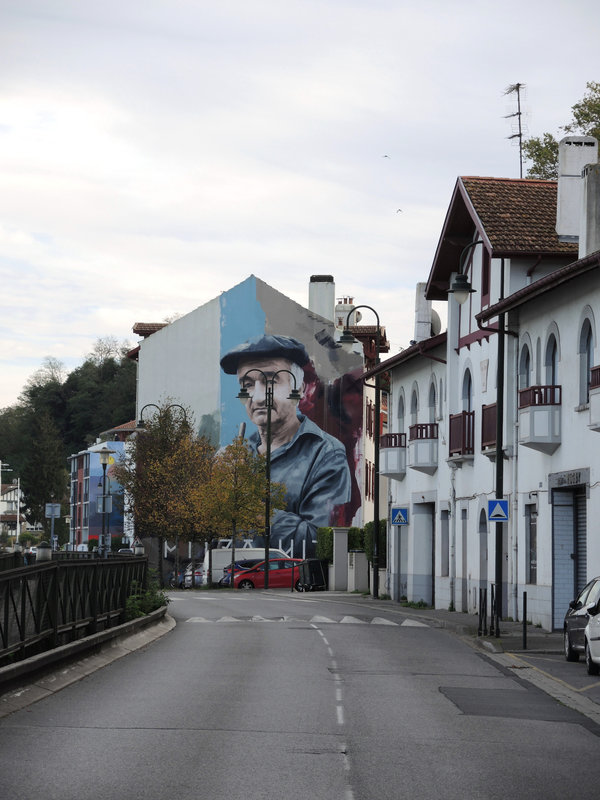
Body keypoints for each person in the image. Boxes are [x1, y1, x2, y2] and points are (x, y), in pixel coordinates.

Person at [220, 334, 351, 558]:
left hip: (289, 582)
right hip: (230, 581)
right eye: (248, 384)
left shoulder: (326, 454)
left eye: (271, 381)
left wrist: (249, 502)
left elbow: (320, 542)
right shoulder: (231, 456)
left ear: (299, 389)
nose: (258, 397)